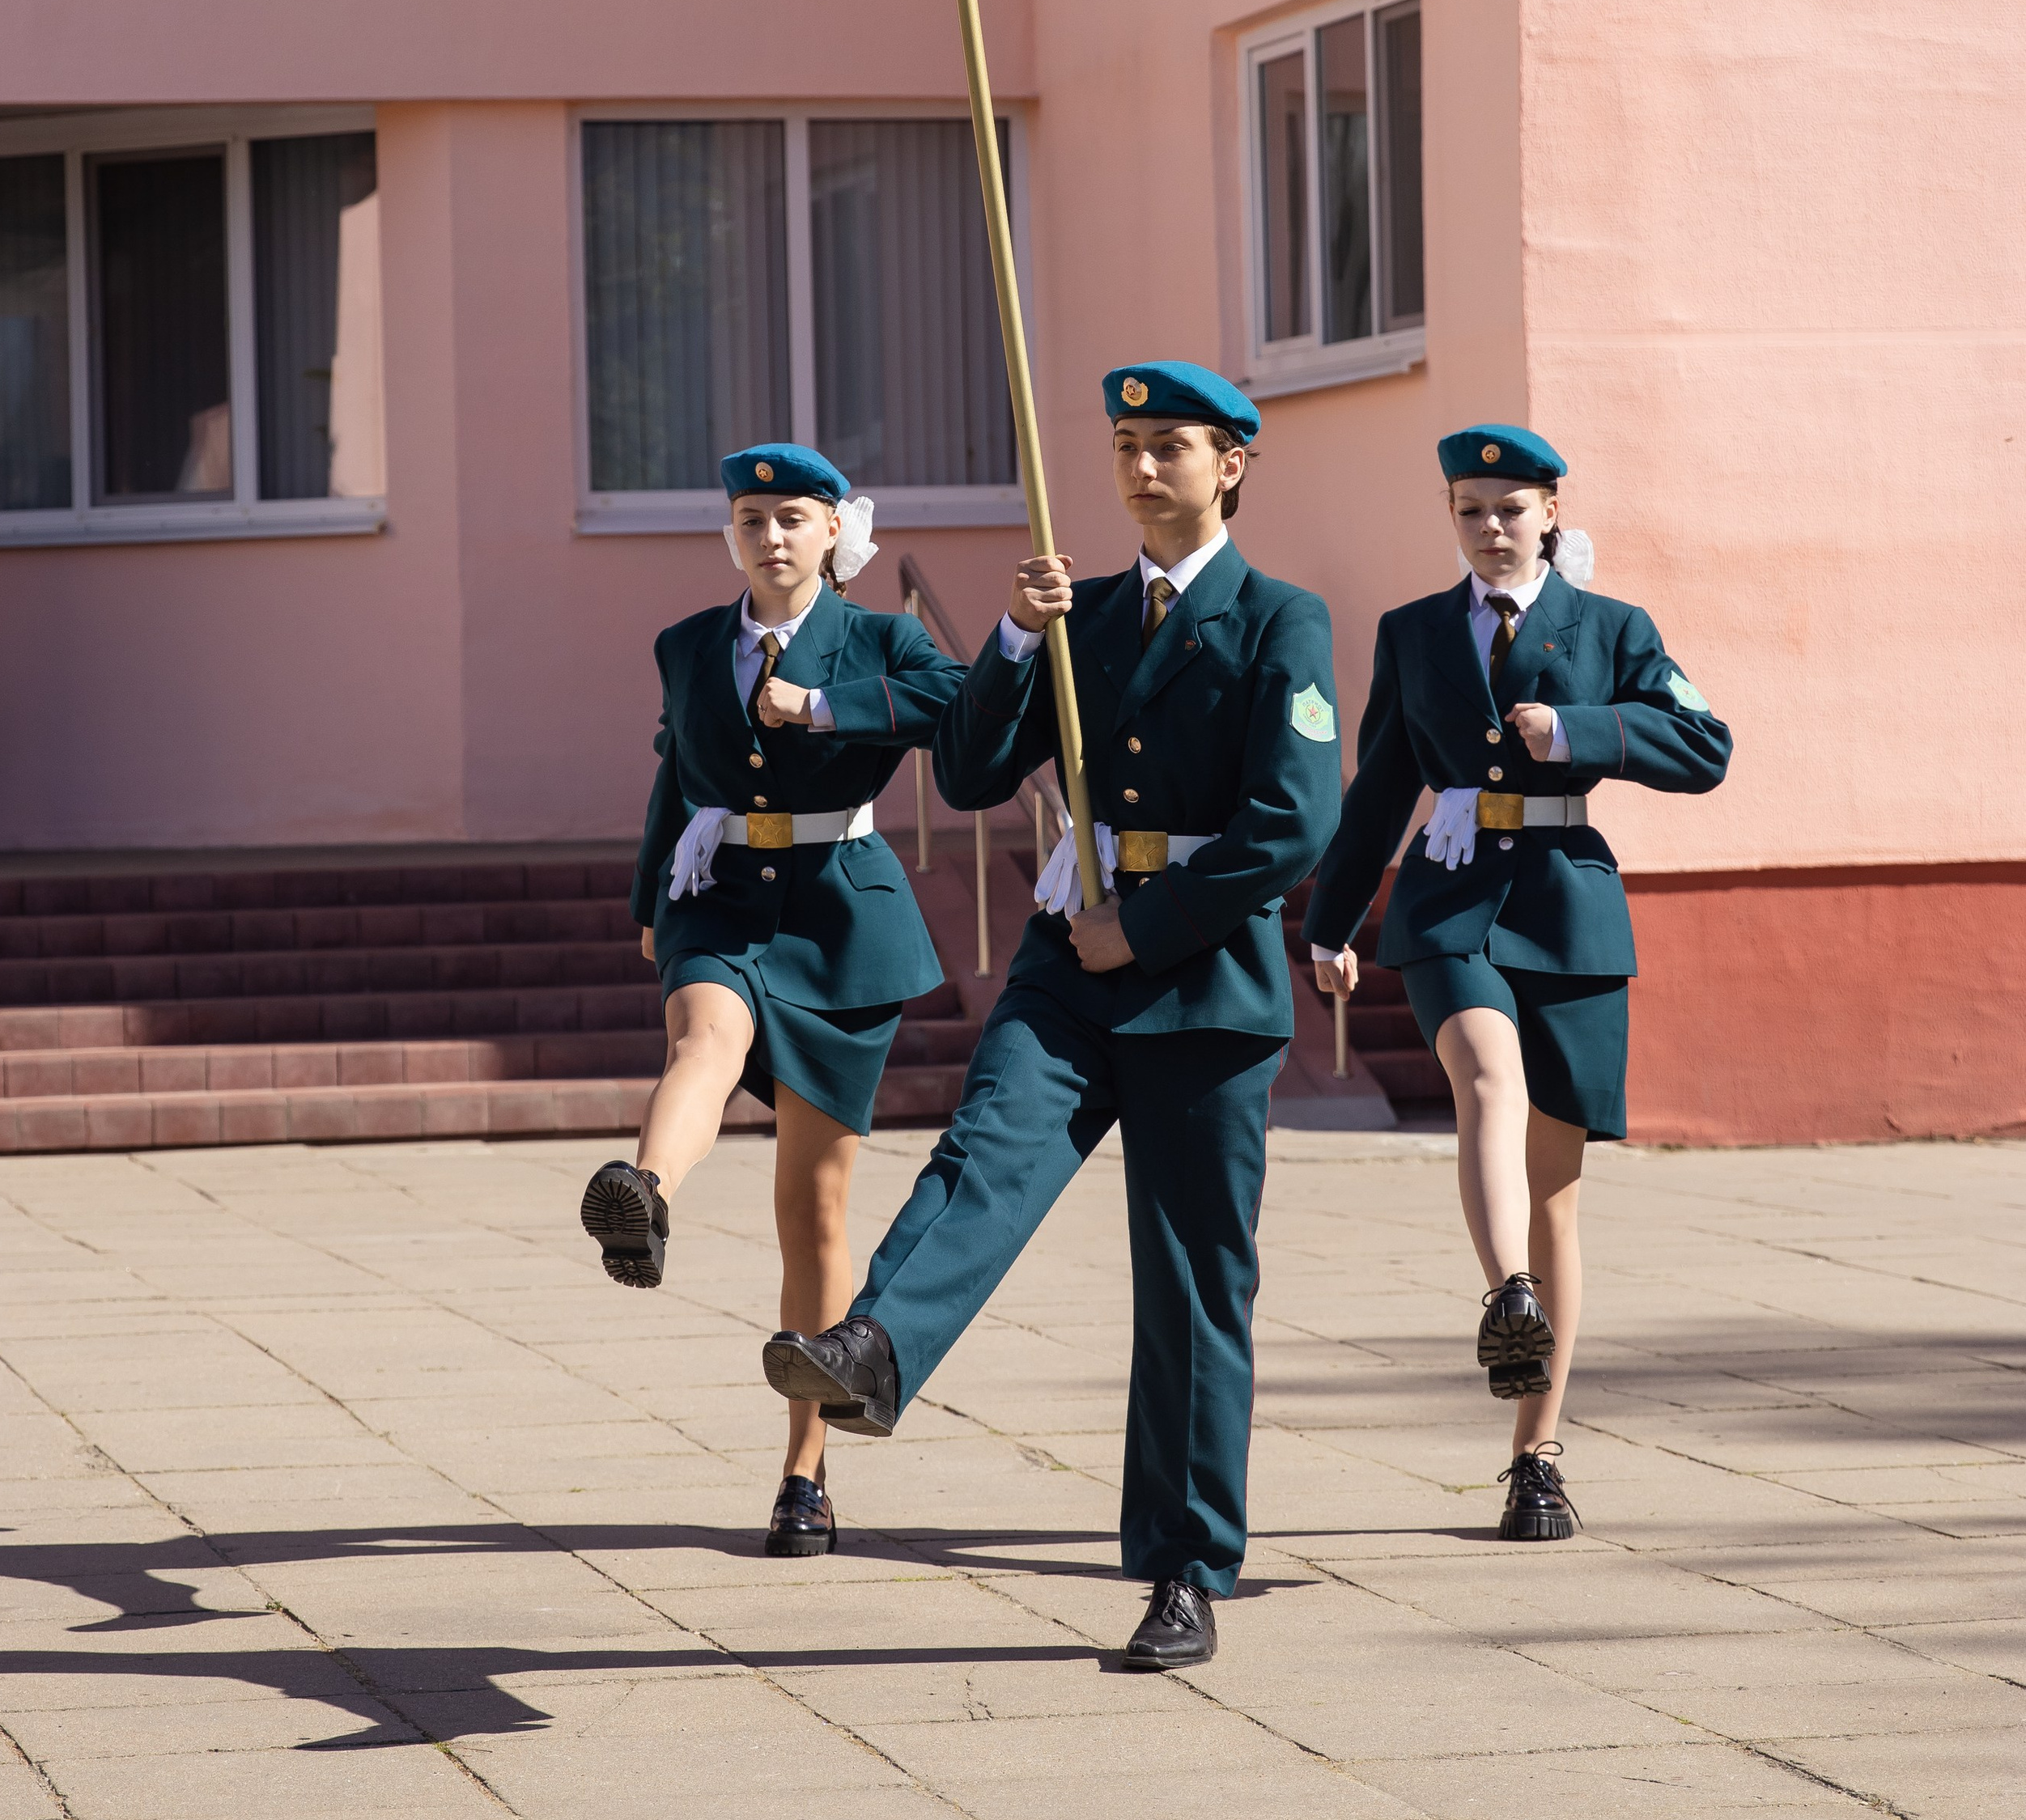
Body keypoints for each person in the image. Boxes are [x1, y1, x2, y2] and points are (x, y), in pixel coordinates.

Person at [760, 363, 1342, 1668]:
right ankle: (872, 1345)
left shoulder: (1277, 620)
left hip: (1198, 981)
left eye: (1171, 447)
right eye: (1126, 445)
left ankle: (1185, 1568)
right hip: (1067, 967)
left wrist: (1144, 924)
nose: (1141, 469)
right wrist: (1021, 642)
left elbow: (1293, 822)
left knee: (1191, 1291)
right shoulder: (1081, 615)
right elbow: (967, 775)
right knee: (986, 1150)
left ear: (1231, 463)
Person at [1306, 425, 1731, 1538]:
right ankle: (1506, 1295)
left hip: (1570, 912)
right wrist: (1332, 921)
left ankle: (1535, 1457)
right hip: (1449, 903)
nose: (1489, 529)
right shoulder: (1413, 632)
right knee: (1483, 1079)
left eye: (1509, 509)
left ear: (1551, 511)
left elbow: (1708, 745)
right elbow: (1379, 788)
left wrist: (1582, 729)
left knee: (1557, 1199)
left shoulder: (1611, 628)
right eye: (1468, 510)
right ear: (1449, 517)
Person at [580, 443, 964, 1559]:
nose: (772, 537)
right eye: (752, 519)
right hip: (718, 897)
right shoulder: (688, 643)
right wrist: (653, 886)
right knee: (700, 1038)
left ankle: (805, 1473)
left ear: (835, 529)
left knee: (816, 1207)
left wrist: (827, 706)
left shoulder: (882, 637)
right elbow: (674, 769)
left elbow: (955, 710)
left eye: (794, 518)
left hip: (841, 916)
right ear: (732, 533)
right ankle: (642, 1197)